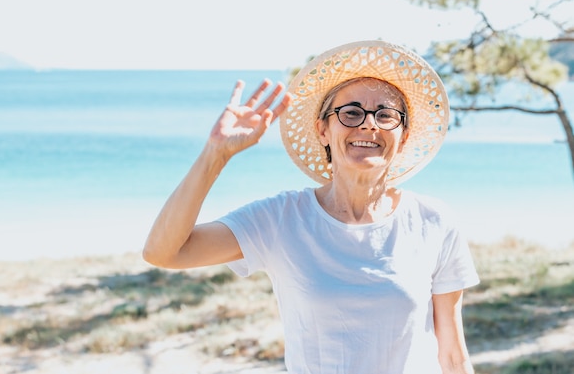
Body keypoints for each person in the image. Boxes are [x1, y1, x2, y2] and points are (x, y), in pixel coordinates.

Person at [143, 40, 480, 374]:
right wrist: (215, 154)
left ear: (403, 136)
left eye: (386, 115)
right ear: (323, 130)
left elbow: (452, 356)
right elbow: (165, 252)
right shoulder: (281, 219)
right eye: (350, 113)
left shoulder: (434, 221)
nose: (369, 124)